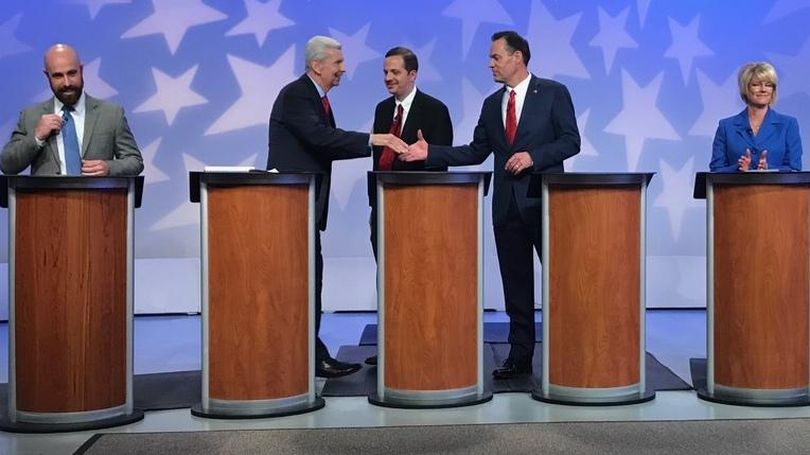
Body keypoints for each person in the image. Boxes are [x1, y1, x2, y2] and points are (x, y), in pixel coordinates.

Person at [400, 31, 580, 379]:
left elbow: (571, 141)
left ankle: (570, 353)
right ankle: (521, 356)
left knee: (561, 282)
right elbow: (475, 150)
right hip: (506, 207)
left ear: (518, 57)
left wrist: (534, 156)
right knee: (516, 285)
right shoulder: (491, 104)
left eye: (496, 57)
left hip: (544, 202)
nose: (490, 63)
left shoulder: (554, 93)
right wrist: (431, 152)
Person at [267, 35, 407, 378]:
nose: (343, 70)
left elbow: (324, 143)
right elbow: (321, 138)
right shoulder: (298, 94)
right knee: (304, 281)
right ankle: (307, 356)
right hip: (291, 206)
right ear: (318, 65)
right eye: (338, 64)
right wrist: (375, 139)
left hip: (304, 205)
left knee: (310, 280)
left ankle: (309, 353)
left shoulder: (317, 98)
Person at [365, 46, 454, 366]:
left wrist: (424, 155)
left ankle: (424, 343)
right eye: (385, 73)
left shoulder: (435, 110)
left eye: (395, 72)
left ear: (412, 75)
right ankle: (390, 345)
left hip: (420, 210)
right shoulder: (380, 109)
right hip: (383, 207)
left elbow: (441, 161)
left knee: (421, 278)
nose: (388, 78)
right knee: (388, 278)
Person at [1, 44, 143, 176]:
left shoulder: (111, 114)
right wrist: (37, 137)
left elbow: (134, 161)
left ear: (81, 70)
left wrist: (109, 167)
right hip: (45, 201)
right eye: (58, 76)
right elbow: (7, 165)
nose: (67, 83)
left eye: (72, 73)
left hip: (96, 200)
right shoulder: (31, 116)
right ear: (47, 76)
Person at [710, 62, 802, 172]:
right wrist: (739, 169)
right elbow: (716, 170)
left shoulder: (788, 124)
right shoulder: (726, 126)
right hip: (737, 189)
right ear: (746, 88)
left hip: (776, 189)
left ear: (773, 90)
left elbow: (794, 168)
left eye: (768, 85)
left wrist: (769, 169)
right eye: (756, 85)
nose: (763, 89)